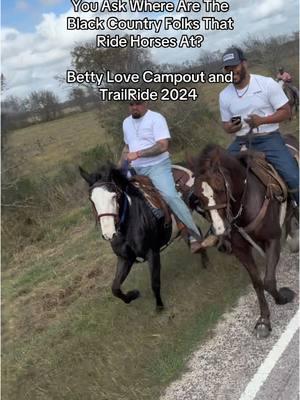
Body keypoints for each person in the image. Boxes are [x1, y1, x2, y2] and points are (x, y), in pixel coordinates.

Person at [119, 100, 216, 253]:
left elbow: (163, 145)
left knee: (171, 196)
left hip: (157, 166)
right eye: (131, 104)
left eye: (138, 103)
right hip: (136, 169)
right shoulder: (126, 122)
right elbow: (127, 147)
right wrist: (119, 169)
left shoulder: (156, 118)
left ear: (145, 103)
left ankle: (194, 235)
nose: (134, 107)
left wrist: (138, 154)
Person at [219, 47, 299, 206]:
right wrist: (233, 127)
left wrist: (262, 121)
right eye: (227, 68)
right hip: (241, 141)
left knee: (293, 177)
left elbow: (286, 112)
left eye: (234, 66)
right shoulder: (224, 95)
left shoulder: (266, 84)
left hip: (268, 139)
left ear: (244, 64)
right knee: (218, 174)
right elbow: (226, 126)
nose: (231, 71)